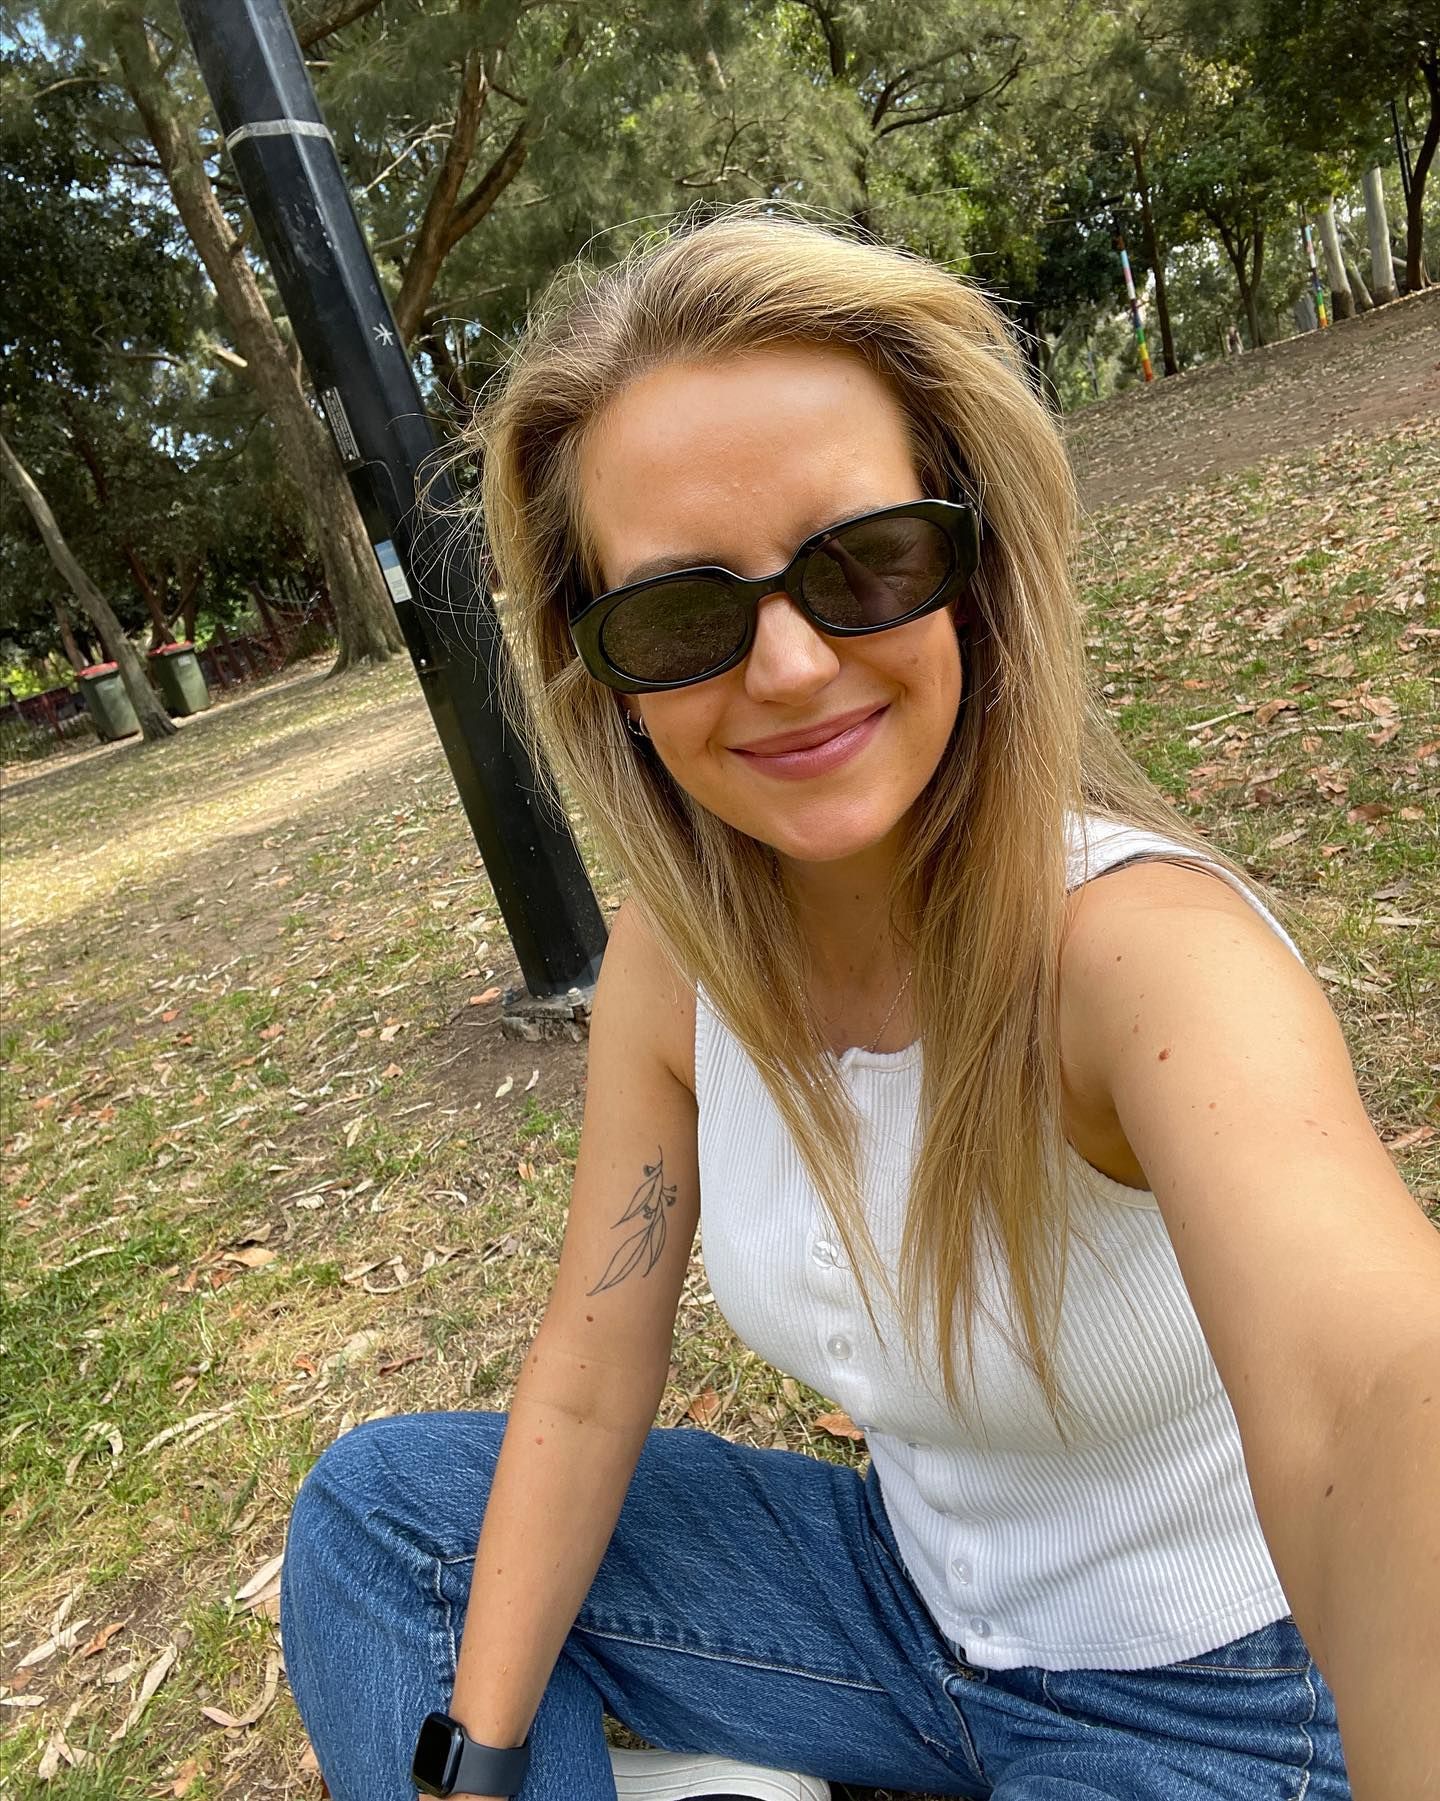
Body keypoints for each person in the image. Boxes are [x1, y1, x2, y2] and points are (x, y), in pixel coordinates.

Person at [279, 208, 1440, 1801]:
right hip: (904, 1614)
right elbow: (592, 1367)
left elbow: (1370, 1393)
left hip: (1217, 1704)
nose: (789, 666)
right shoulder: (674, 966)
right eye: (682, 615)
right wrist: (471, 1769)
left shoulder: (1143, 956)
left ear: (972, 569)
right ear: (603, 669)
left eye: (865, 561)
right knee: (386, 1516)